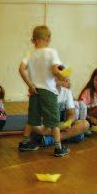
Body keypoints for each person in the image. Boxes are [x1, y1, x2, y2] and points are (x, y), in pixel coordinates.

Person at [18, 26, 70, 157]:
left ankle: (24, 143)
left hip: (35, 90)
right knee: (53, 120)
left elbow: (21, 69)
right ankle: (58, 148)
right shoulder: (51, 52)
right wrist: (63, 77)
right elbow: (54, 70)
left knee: (32, 118)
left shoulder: (30, 53)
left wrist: (30, 85)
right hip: (48, 91)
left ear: (34, 39)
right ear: (48, 38)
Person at [32, 75, 90, 146]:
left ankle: (53, 139)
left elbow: (72, 114)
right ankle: (70, 136)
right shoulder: (41, 92)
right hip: (48, 127)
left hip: (62, 126)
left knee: (85, 124)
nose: (66, 81)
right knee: (35, 126)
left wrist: (68, 123)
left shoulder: (67, 92)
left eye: (66, 80)